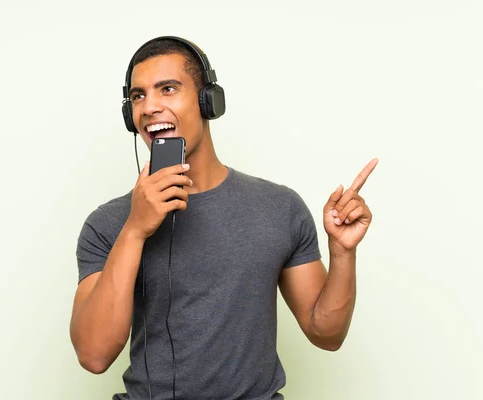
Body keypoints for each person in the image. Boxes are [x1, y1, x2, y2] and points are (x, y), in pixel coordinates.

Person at [69, 36, 378, 400]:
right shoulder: (107, 223)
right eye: (138, 96)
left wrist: (343, 253)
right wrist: (136, 228)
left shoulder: (280, 207)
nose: (149, 106)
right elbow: (93, 355)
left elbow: (326, 334)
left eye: (167, 89)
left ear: (207, 102)